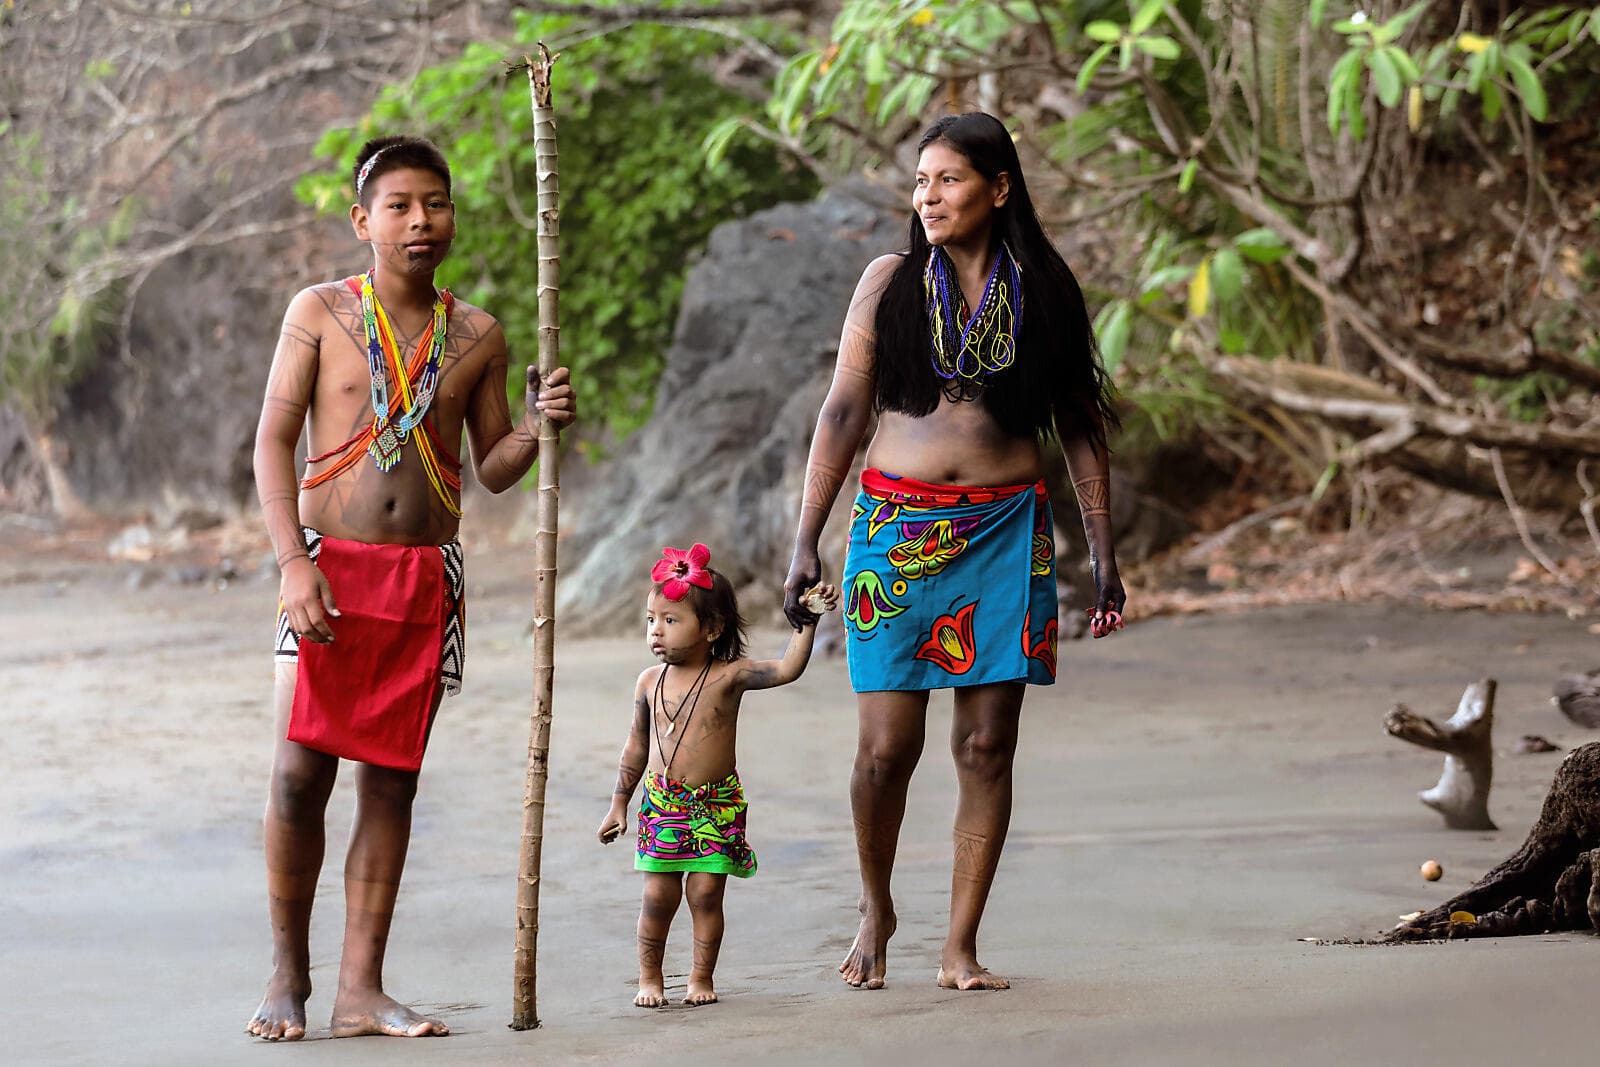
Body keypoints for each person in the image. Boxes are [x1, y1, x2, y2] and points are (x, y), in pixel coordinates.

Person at [782, 111, 1126, 992]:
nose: (928, 196)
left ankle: (960, 944)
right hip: (895, 532)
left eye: (949, 180)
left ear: (998, 188)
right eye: (921, 181)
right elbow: (842, 413)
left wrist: (1105, 554)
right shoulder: (889, 283)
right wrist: (804, 540)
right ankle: (876, 906)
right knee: (884, 752)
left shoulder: (1044, 288)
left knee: (985, 747)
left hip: (1007, 533)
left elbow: (1082, 427)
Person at [247, 135, 576, 1041]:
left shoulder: (477, 334)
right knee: (296, 777)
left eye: (435, 203)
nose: (420, 221)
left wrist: (539, 427)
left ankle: (362, 990)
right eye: (399, 205)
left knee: (390, 785)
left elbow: (495, 466)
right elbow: (273, 442)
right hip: (324, 570)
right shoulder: (318, 313)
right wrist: (291, 562)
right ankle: (288, 975)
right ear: (363, 220)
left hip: (426, 578)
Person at [598, 543, 839, 1008]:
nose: (656, 631)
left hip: (716, 805)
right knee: (657, 898)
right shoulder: (649, 682)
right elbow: (636, 746)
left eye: (671, 620)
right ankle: (649, 979)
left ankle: (699, 978)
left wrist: (806, 622)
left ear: (711, 628)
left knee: (707, 893)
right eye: (652, 620)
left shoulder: (731, 676)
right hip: (662, 805)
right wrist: (617, 803)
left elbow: (787, 668)